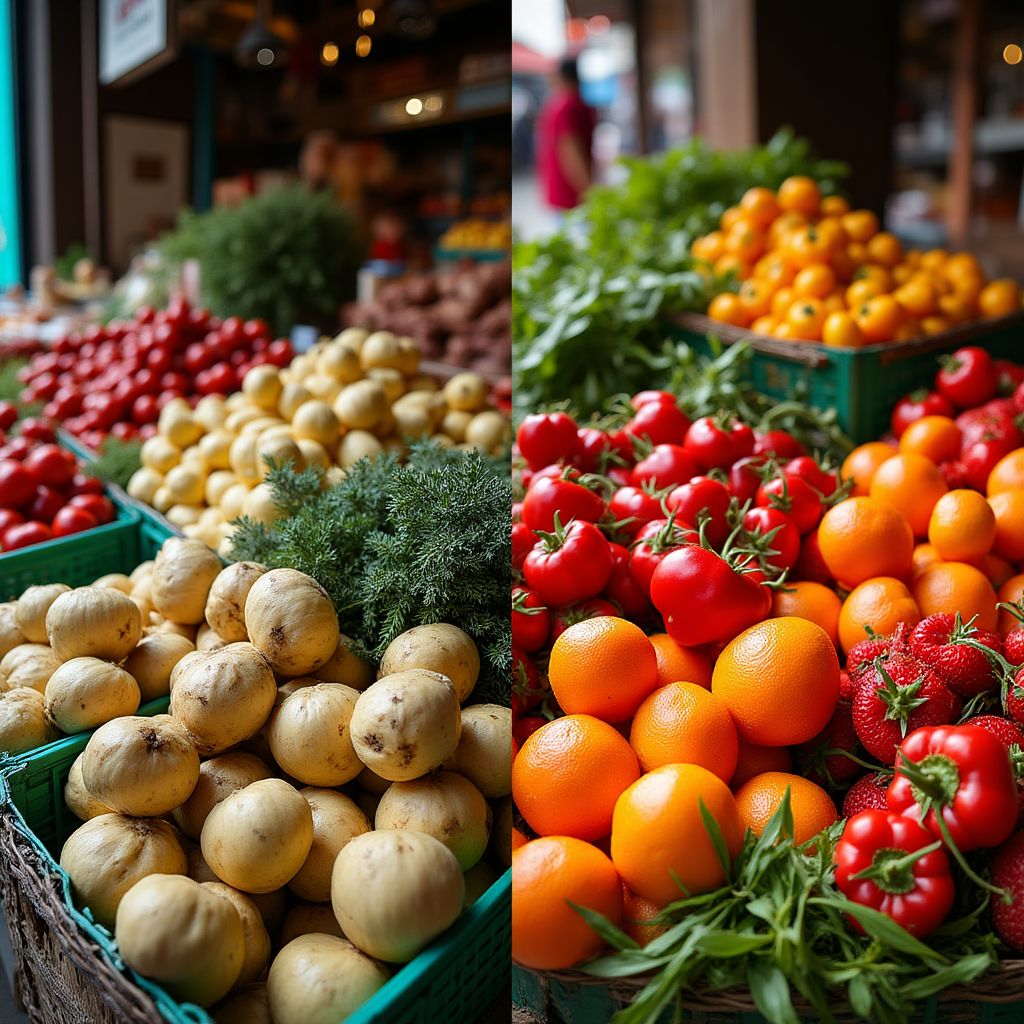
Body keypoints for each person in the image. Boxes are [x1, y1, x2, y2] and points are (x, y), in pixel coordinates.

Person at [537, 57, 596, 213]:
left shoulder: (564, 105)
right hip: (570, 199)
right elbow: (570, 152)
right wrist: (590, 192)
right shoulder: (567, 106)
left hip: (569, 196)